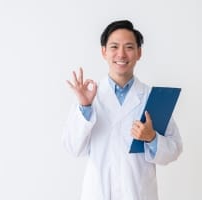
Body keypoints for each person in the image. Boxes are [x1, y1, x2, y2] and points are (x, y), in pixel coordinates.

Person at [62, 20, 182, 200]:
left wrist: (152, 138)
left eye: (129, 47)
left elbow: (174, 149)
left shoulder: (152, 97)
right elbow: (72, 148)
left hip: (138, 194)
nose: (121, 54)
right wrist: (86, 107)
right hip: (98, 193)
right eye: (114, 47)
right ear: (104, 51)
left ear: (139, 52)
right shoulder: (89, 97)